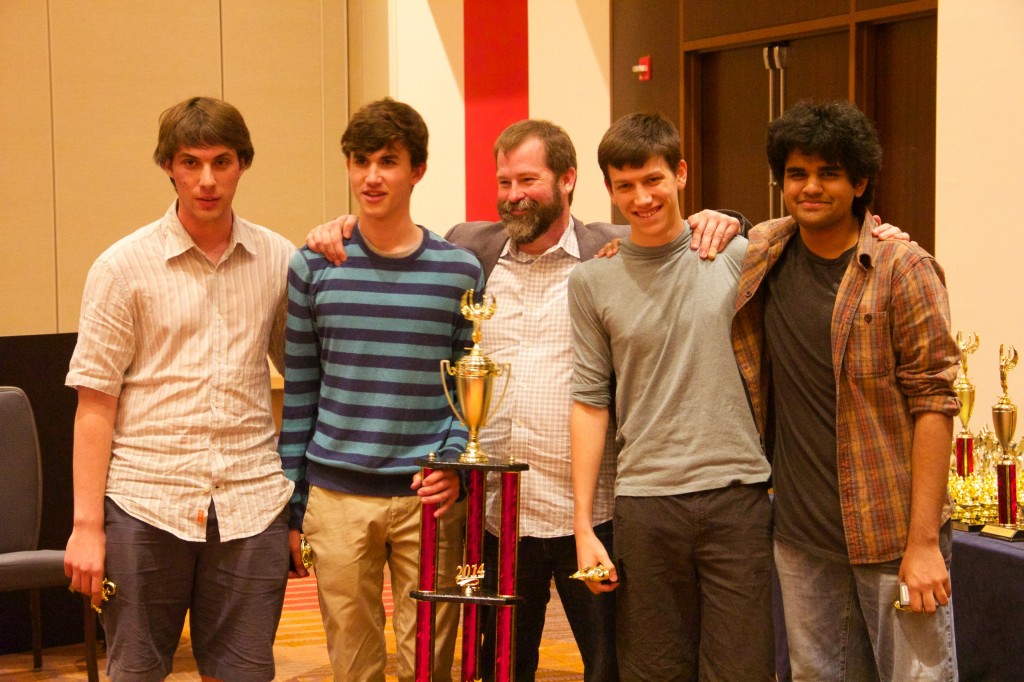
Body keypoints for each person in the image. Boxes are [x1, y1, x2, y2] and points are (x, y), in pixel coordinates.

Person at [305, 118, 742, 681]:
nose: (513, 195)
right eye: (504, 181)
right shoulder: (470, 250)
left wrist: (727, 219)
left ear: (568, 180)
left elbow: (675, 225)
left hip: (595, 513)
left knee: (611, 666)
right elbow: (395, 236)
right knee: (498, 669)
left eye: (528, 180)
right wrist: (339, 227)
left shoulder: (611, 248)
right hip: (498, 516)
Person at [63, 96, 295, 681]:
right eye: (191, 163)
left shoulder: (279, 259)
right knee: (136, 673)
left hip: (252, 504)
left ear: (243, 163)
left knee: (245, 674)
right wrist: (86, 527)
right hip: (145, 504)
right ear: (169, 165)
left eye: (221, 161)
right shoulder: (122, 267)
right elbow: (95, 405)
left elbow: (310, 381)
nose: (207, 180)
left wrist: (304, 503)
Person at [732, 100, 959, 680]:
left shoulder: (903, 268)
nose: (810, 187)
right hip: (802, 536)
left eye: (828, 173)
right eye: (796, 174)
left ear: (859, 182)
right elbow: (691, 234)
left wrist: (925, 542)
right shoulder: (766, 250)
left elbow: (935, 403)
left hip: (890, 534)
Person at [276, 97, 483, 682]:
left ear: (416, 170)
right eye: (360, 160)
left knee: (431, 664)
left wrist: (452, 463)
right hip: (336, 497)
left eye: (388, 161)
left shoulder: (460, 270)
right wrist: (295, 507)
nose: (371, 176)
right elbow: (301, 395)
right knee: (352, 662)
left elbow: (468, 380)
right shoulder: (313, 267)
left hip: (430, 497)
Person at [569, 112, 776, 680]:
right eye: (625, 185)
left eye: (653, 179)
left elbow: (806, 229)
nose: (642, 197)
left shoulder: (737, 255)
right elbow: (590, 402)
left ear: (681, 173)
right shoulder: (591, 282)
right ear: (608, 191)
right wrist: (585, 526)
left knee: (742, 670)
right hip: (645, 504)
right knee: (653, 670)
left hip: (737, 496)